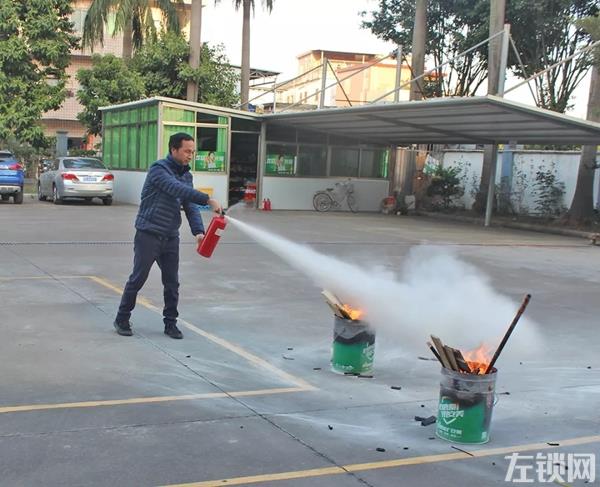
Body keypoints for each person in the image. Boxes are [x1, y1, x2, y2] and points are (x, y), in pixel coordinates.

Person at [113, 132, 222, 339]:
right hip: (148, 234)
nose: (191, 155)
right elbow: (175, 189)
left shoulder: (186, 175)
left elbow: (189, 204)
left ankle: (170, 323)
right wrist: (208, 199)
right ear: (174, 150)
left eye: (193, 151)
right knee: (138, 279)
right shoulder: (158, 170)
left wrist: (199, 232)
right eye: (187, 151)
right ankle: (122, 318)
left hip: (171, 237)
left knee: (172, 283)